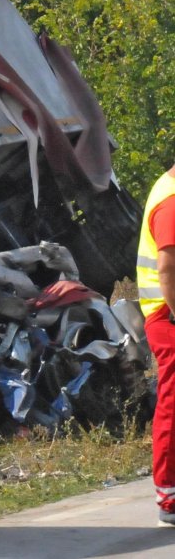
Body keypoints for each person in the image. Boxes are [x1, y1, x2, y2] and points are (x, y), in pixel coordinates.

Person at [137, 164, 175, 527]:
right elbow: (168, 269)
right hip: (169, 317)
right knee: (173, 404)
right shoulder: (173, 202)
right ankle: (169, 494)